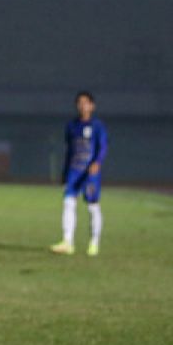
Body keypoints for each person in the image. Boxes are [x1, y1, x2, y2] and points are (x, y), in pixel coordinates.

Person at [50, 91, 108, 256]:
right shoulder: (71, 126)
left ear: (92, 106)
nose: (82, 106)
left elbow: (103, 147)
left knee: (92, 207)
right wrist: (64, 171)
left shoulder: (98, 126)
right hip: (74, 171)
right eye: (79, 103)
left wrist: (97, 162)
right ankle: (67, 241)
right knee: (68, 202)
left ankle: (94, 242)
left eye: (85, 103)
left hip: (90, 173)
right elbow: (70, 150)